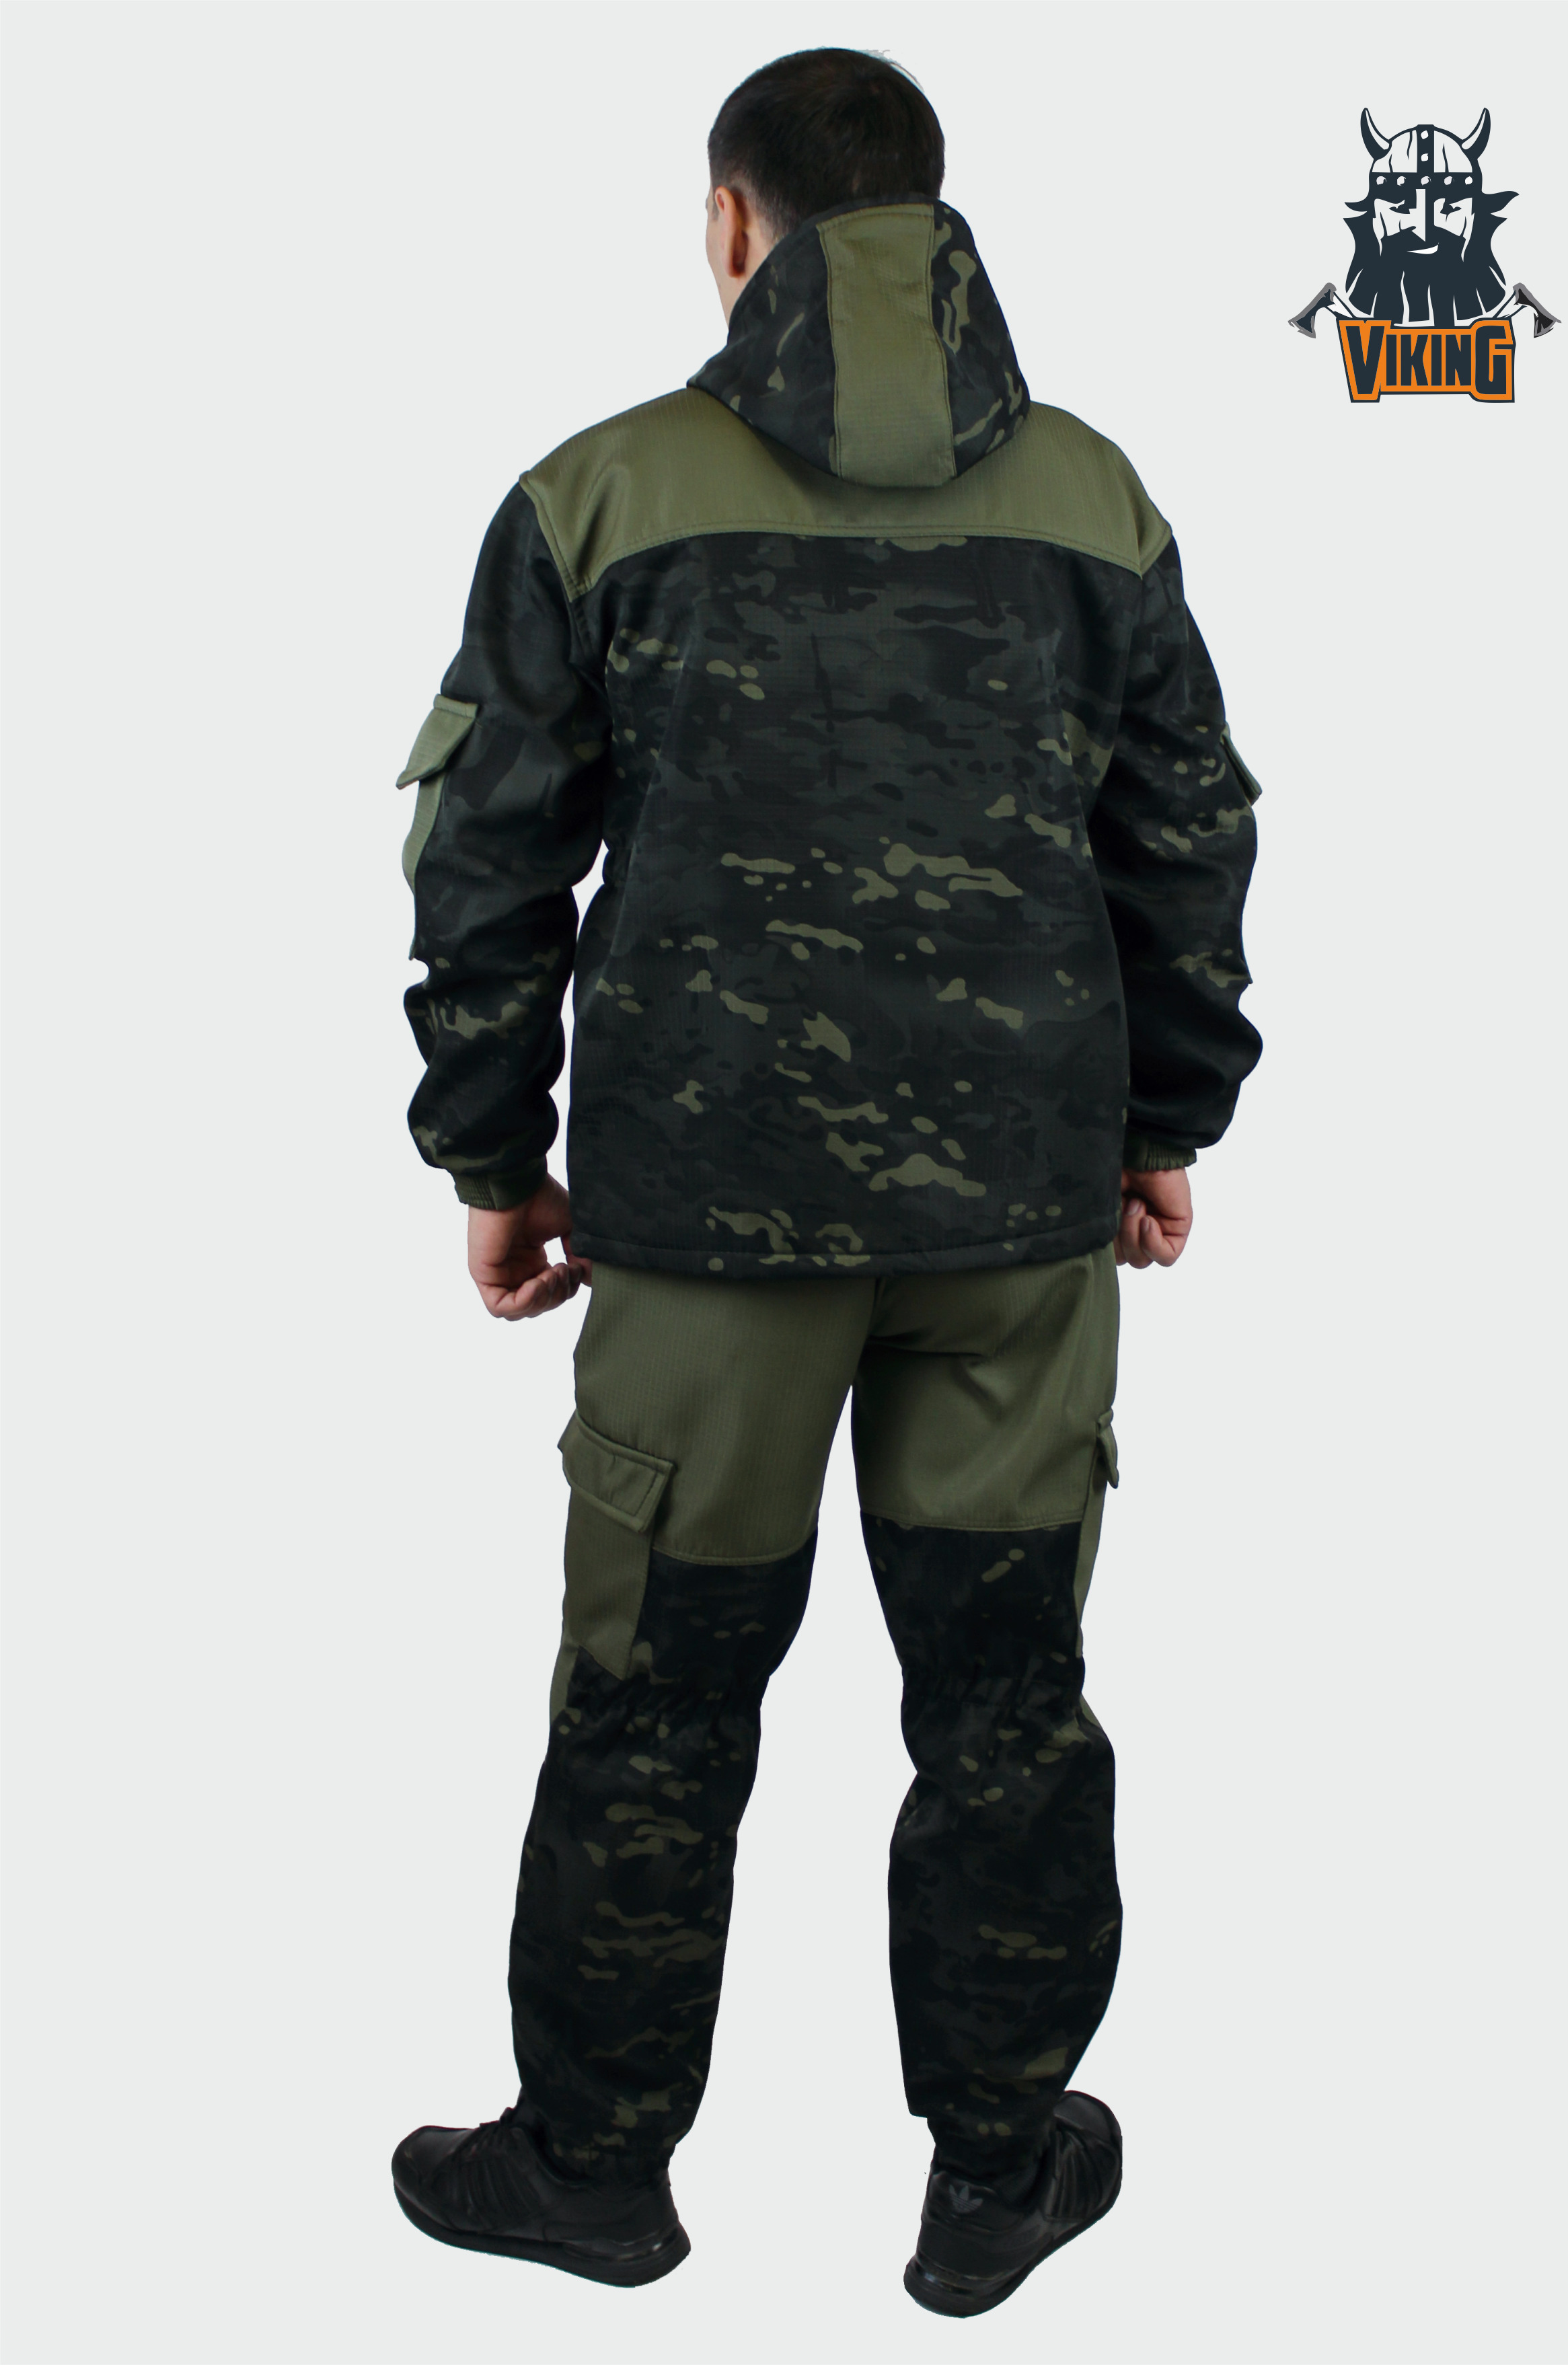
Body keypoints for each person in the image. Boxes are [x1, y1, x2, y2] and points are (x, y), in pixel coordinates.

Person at [389, 46, 1260, 2319]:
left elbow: (486, 857)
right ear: (932, 224)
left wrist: (493, 1152)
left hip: (701, 1232)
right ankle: (1000, 2174)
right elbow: (1189, 835)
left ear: (731, 220)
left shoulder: (599, 492)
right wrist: (1164, 1122)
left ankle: (593, 2169)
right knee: (1006, 1697)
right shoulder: (1095, 499)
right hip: (1021, 1226)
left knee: (655, 1696)